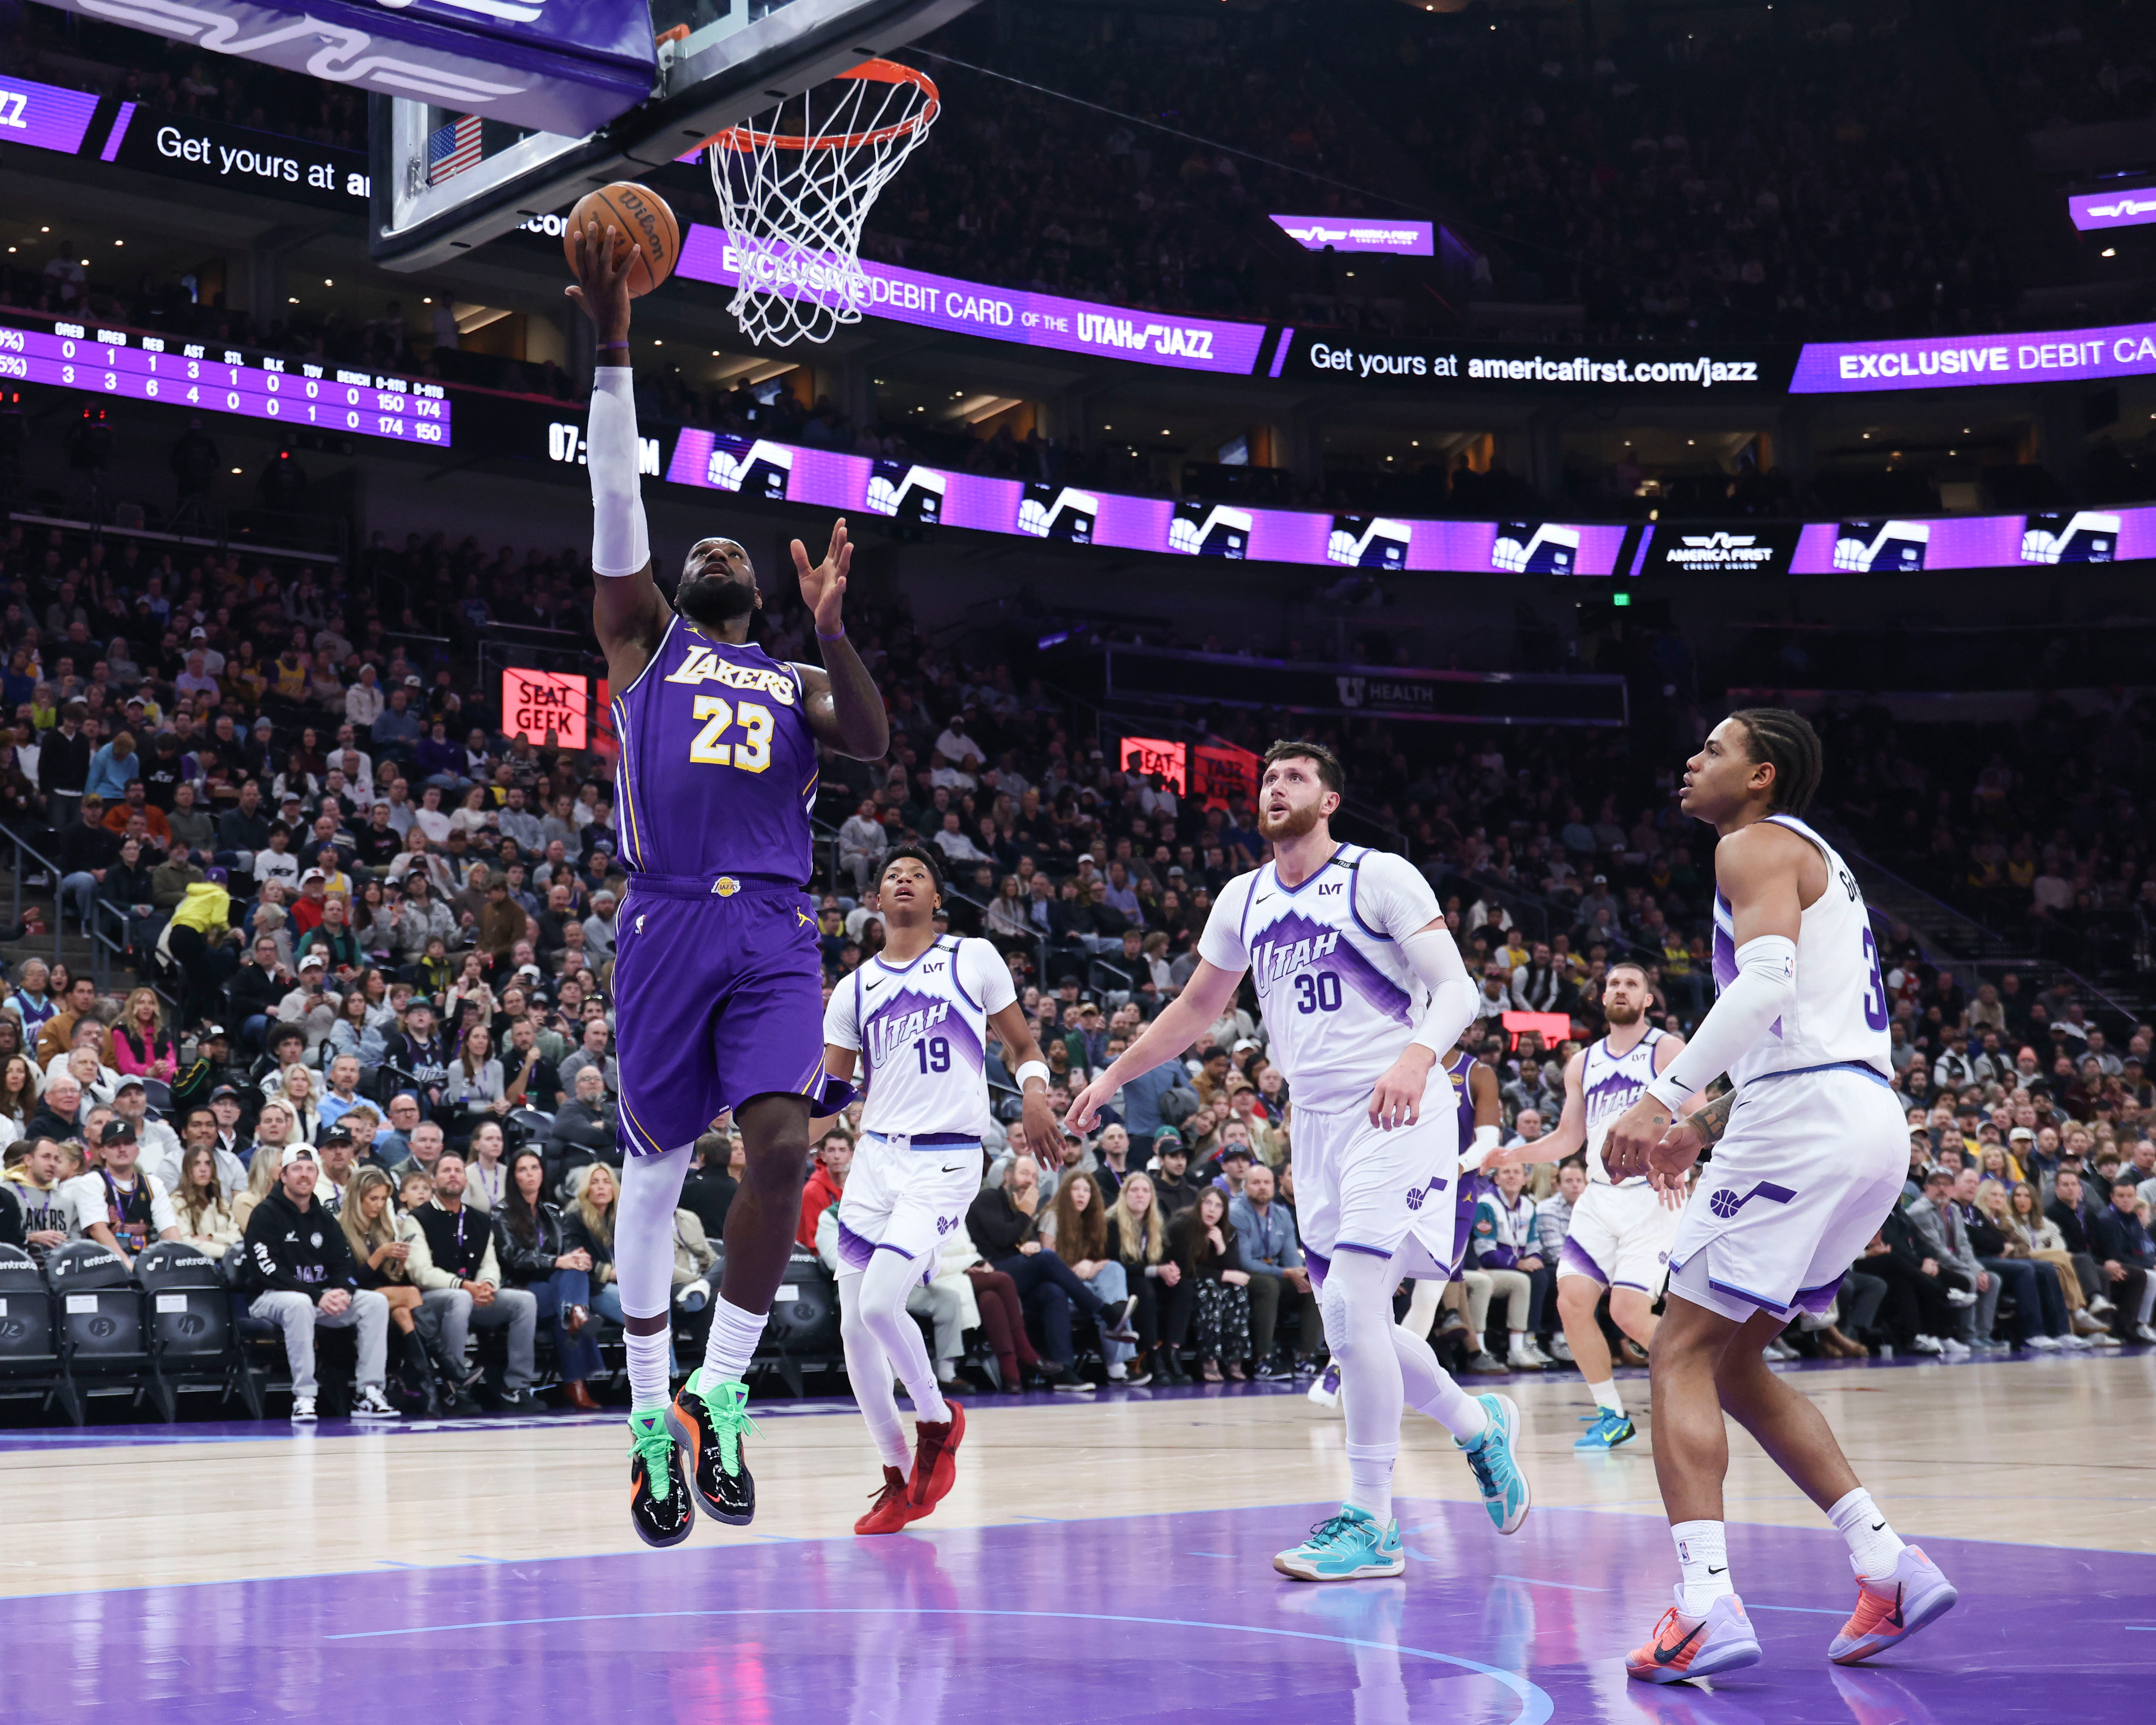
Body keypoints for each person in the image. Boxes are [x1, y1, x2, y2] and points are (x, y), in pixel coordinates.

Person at [566, 218, 892, 1546]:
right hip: (660, 919)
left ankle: (721, 1388)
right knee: (650, 1182)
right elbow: (615, 512)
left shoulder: (798, 680)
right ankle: (651, 1416)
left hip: (770, 926)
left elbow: (870, 741)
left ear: (756, 590)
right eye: (692, 548)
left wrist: (832, 630)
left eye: (729, 552)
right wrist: (612, 342)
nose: (709, 551)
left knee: (776, 1150)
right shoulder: (639, 644)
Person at [1068, 739, 1524, 1583]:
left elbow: (1457, 989)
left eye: (1295, 778)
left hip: (1398, 1102)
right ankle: (1476, 1426)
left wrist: (1416, 1057)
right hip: (1313, 1125)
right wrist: (1109, 1076)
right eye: (1268, 778)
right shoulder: (1242, 898)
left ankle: (1372, 1523)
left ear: (1328, 802)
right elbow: (1195, 1007)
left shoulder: (1376, 877)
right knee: (1362, 1329)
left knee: (1351, 1296)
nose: (1276, 787)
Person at [1600, 710, 1955, 1683]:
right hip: (1865, 1122)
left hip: (1803, 1121)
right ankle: (1885, 1560)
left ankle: (1705, 1603)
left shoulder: (1751, 844)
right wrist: (1703, 1126)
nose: (1689, 759)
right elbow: (1802, 1028)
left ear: (1761, 776)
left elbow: (1763, 991)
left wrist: (1659, 1096)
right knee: (1735, 1364)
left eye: (1711, 750)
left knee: (1675, 1354)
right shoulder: (1817, 858)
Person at [815, 847, 1061, 1534]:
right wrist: (757, 1135)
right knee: (852, 1328)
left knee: (879, 1303)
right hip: (874, 1162)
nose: (902, 879)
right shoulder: (853, 990)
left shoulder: (970, 957)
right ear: (875, 899)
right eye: (892, 873)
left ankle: (936, 1418)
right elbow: (830, 1100)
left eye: (917, 874)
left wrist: (1034, 1094)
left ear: (936, 900)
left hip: (943, 1160)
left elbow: (1020, 1045)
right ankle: (896, 1471)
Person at [1490, 961, 1695, 1450]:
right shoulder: (1582, 1062)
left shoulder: (1667, 1049)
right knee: (1572, 1301)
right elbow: (1567, 1137)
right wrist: (1512, 1151)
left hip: (1653, 1196)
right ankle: (1611, 1415)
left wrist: (1680, 1161)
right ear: (1601, 997)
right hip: (1599, 1196)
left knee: (1627, 1312)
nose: (1619, 990)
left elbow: (1698, 1113)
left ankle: (1707, 1376)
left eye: (1630, 983)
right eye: (1612, 984)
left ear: (1648, 1000)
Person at [243, 1145, 401, 1422]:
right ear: (283, 1175)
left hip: (317, 1297)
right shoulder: (265, 1214)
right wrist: (318, 1296)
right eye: (297, 1169)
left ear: (317, 1176)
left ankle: (369, 1393)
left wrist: (343, 1291)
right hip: (270, 1297)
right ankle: (304, 1396)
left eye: (310, 1170)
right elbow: (269, 1271)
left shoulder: (325, 1217)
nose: (304, 1176)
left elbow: (344, 1264)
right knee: (300, 1303)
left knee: (375, 1302)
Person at [406, 1151, 539, 1411]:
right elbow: (421, 1272)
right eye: (446, 1171)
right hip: (432, 1300)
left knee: (524, 1301)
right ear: (433, 1181)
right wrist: (464, 1285)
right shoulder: (418, 1218)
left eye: (458, 1171)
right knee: (459, 1298)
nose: (453, 1175)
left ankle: (517, 1387)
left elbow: (490, 1262)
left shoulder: (480, 1219)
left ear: (466, 1181)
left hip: (474, 1293)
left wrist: (487, 1284)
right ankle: (455, 1387)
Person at [492, 1146, 602, 1410]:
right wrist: (559, 1261)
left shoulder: (553, 1211)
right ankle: (577, 1314)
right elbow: (513, 1258)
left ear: (543, 1174)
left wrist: (578, 1258)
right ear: (514, 1177)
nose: (530, 1175)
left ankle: (575, 1316)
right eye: (522, 1170)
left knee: (569, 1291)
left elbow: (565, 1250)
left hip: (556, 1289)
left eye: (535, 1168)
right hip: (522, 1289)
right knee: (569, 1287)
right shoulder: (501, 1213)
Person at [339, 1165, 442, 1411]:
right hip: (350, 1298)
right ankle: (446, 1366)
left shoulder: (382, 1227)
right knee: (412, 1294)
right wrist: (380, 1255)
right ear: (357, 1197)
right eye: (373, 1199)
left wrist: (398, 1264)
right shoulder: (339, 1228)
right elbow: (351, 1281)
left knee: (404, 1312)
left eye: (384, 1199)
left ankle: (429, 1389)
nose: (378, 1205)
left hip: (384, 1298)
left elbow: (390, 1279)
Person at [1230, 1160, 1319, 1378]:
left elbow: (1291, 1258)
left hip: (1275, 1273)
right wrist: (1286, 1273)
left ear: (1274, 1186)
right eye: (1256, 1183)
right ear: (1245, 1187)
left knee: (1313, 1286)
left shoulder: (1281, 1215)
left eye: (1267, 1183)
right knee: (1268, 1286)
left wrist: (1298, 1273)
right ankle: (1263, 1359)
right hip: (1242, 1277)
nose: (1263, 1187)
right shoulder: (1237, 1213)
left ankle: (1305, 1357)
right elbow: (1245, 1262)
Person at [61, 1119, 179, 1266]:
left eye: (128, 1143)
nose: (122, 1149)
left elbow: (169, 1230)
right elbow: (97, 1230)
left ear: (137, 1150)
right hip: (102, 1263)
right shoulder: (91, 1182)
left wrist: (178, 1260)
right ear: (103, 1152)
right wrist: (127, 1264)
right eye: (114, 1145)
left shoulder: (153, 1184)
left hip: (146, 1260)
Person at [1169, 1183, 1252, 1382]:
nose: (1212, 1210)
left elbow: (1235, 1266)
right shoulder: (1182, 1226)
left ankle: (1235, 1358)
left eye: (1218, 1206)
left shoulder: (1227, 1230)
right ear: (1199, 1205)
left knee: (1238, 1292)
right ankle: (1208, 1359)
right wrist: (1223, 1275)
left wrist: (1221, 1246)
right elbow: (1186, 1269)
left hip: (1212, 1280)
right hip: (1186, 1282)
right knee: (1211, 1291)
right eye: (1208, 1204)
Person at [1103, 1169, 1174, 1382]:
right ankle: (1152, 1353)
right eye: (1134, 1190)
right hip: (1120, 1280)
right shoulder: (1112, 1222)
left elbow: (1163, 1255)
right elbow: (1119, 1264)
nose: (1140, 1195)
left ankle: (1174, 1351)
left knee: (1183, 1286)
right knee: (1144, 1288)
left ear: (1152, 1197)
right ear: (1124, 1195)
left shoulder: (1156, 1223)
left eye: (1145, 1191)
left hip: (1144, 1276)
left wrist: (1171, 1269)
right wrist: (1157, 1271)